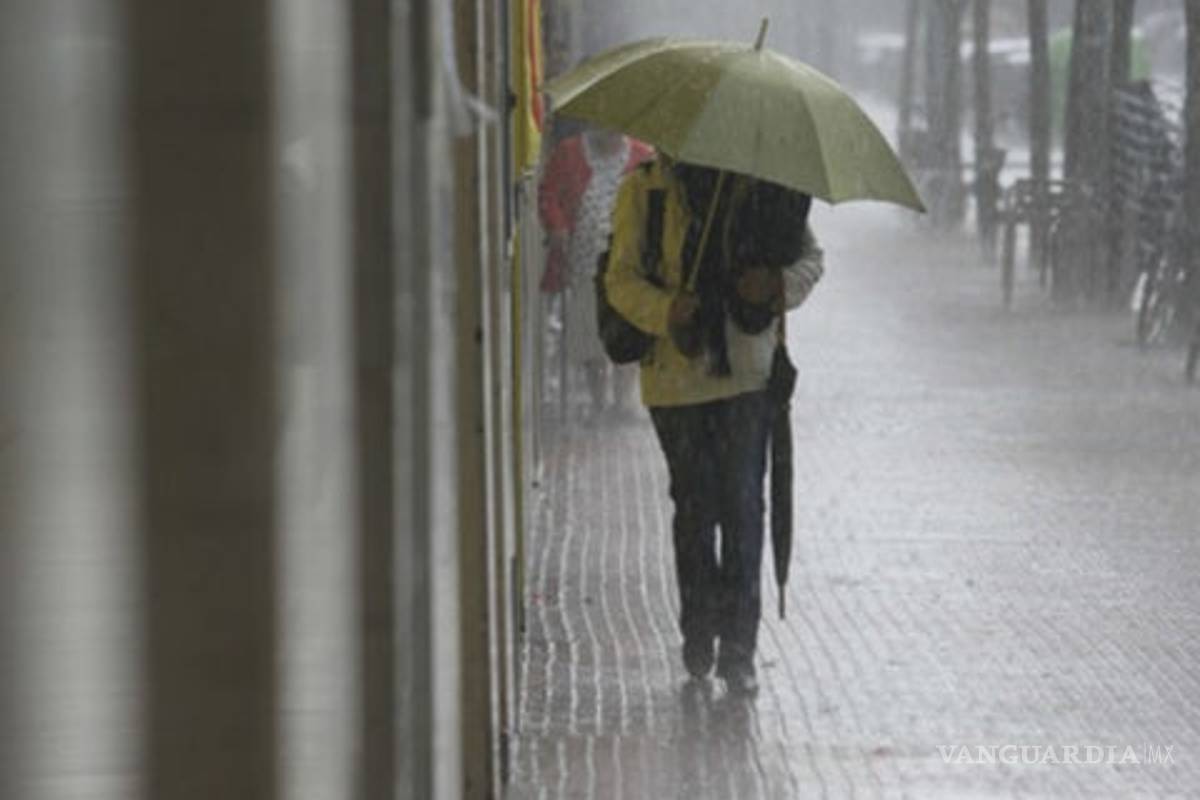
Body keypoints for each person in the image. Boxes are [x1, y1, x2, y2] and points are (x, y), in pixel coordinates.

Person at [605, 155, 824, 695]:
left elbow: (810, 259)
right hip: (675, 384)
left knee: (745, 507)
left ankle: (739, 650)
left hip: (747, 379)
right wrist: (666, 311)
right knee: (696, 509)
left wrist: (774, 283)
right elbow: (620, 277)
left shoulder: (763, 187)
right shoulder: (646, 191)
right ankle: (699, 630)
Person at [538, 127, 653, 421]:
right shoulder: (569, 152)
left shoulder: (642, 156)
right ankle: (600, 400)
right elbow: (548, 194)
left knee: (626, 325)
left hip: (627, 262)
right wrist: (557, 226)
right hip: (583, 263)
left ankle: (623, 400)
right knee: (590, 332)